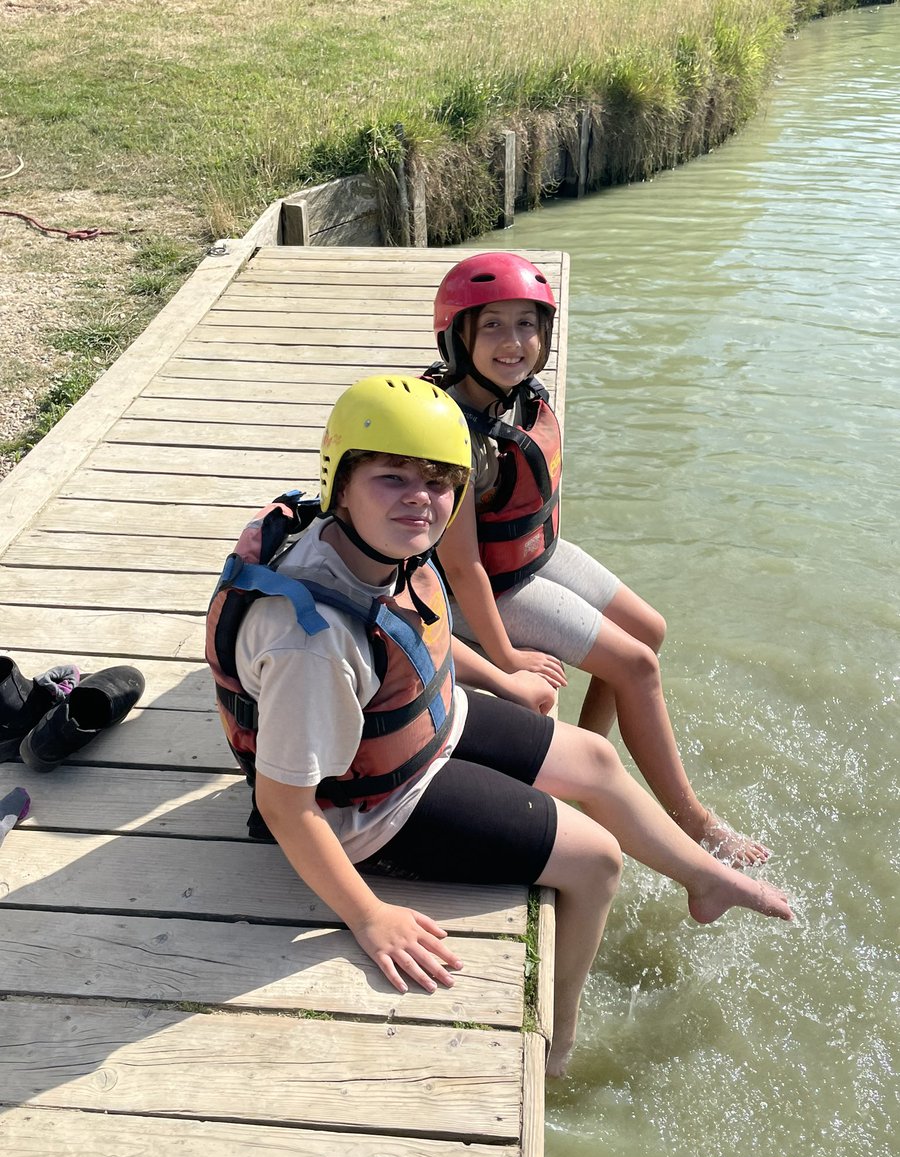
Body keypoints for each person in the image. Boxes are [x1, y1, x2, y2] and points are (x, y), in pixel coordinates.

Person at [206, 374, 793, 1077]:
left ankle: (704, 879)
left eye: (439, 481)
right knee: (596, 861)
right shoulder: (312, 643)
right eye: (391, 477)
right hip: (370, 809)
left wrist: (504, 677)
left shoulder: (372, 545)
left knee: (598, 766)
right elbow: (283, 807)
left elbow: (409, 625)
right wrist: (368, 916)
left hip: (415, 734)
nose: (419, 498)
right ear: (341, 480)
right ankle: (560, 1044)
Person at [427, 252, 767, 868]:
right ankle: (693, 821)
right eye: (494, 326)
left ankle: (586, 757)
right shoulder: (454, 432)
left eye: (527, 325)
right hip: (488, 586)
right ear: (459, 337)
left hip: (532, 555)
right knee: (636, 666)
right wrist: (505, 658)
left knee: (649, 631)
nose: (514, 342)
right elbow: (461, 566)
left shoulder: (516, 398)